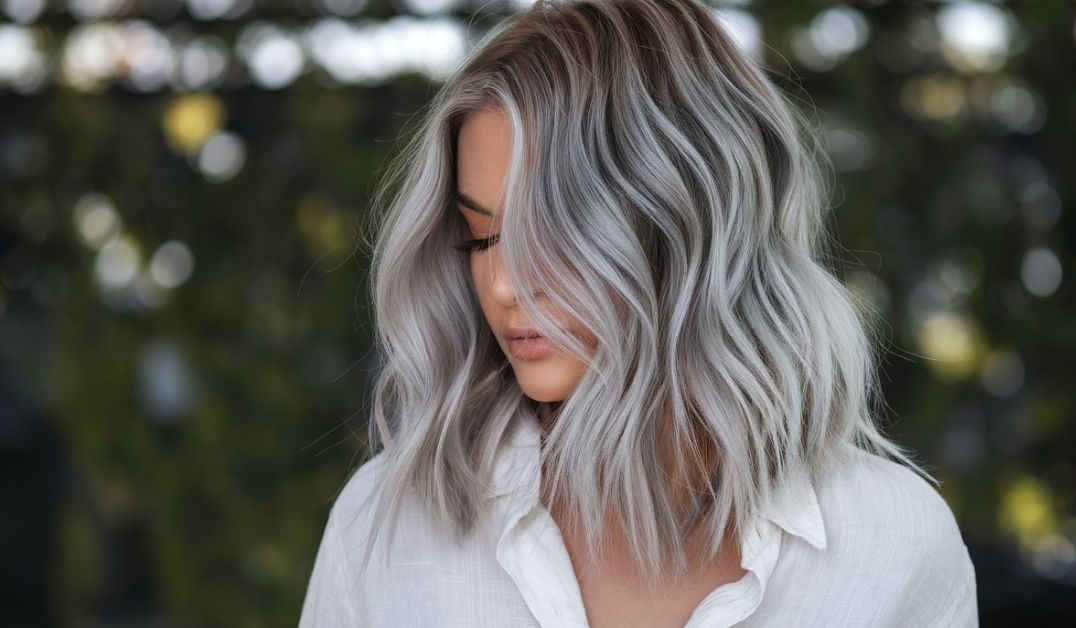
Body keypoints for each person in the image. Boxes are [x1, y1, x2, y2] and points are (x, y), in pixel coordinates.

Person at [299, 0, 978, 625]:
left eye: (552, 233)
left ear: (686, 221)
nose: (503, 283)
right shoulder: (387, 527)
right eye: (480, 236)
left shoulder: (895, 545)